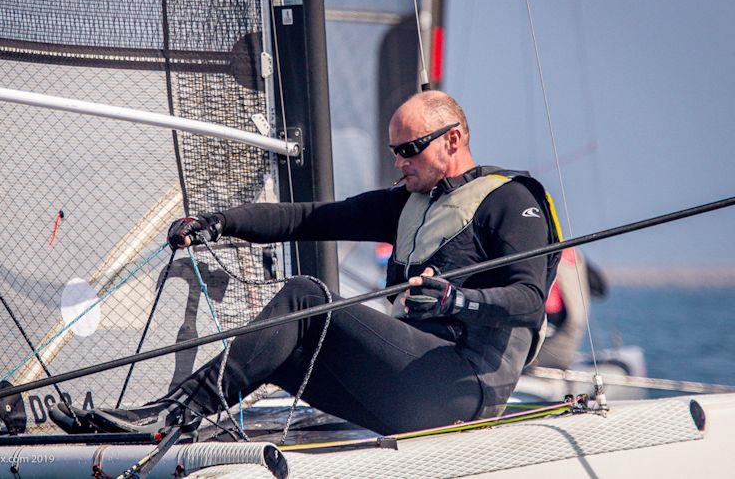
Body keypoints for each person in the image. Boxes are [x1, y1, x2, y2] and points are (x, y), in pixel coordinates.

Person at [50, 91, 561, 436]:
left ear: (453, 139)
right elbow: (306, 218)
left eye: (410, 149)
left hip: (462, 388)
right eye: (393, 151)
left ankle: (173, 412)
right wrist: (219, 222)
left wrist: (459, 297)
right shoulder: (406, 203)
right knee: (291, 350)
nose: (399, 162)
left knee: (306, 298)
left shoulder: (509, 200)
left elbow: (528, 299)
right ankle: (175, 420)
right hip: (410, 388)